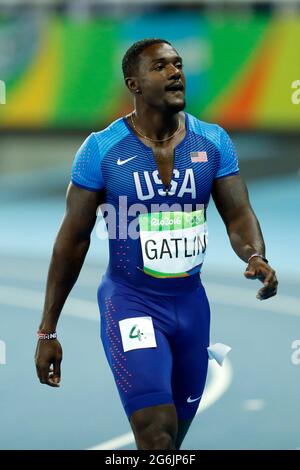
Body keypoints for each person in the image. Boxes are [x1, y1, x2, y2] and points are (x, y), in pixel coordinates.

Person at [35, 38, 278, 450]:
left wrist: (255, 254)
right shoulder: (101, 151)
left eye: (178, 64)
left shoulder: (213, 142)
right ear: (134, 83)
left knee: (172, 441)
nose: (175, 72)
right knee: (155, 431)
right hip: (130, 303)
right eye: (161, 67)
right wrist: (47, 330)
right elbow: (72, 242)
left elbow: (237, 215)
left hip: (191, 308)